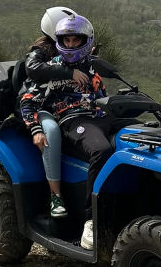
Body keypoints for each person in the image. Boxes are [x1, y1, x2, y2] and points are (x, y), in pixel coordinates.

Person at [20, 14, 110, 251]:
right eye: (66, 40)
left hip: (98, 116)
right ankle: (90, 222)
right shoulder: (51, 68)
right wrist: (36, 128)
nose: (70, 45)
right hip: (71, 119)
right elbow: (28, 101)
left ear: (85, 41)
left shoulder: (93, 68)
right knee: (101, 150)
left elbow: (102, 95)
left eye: (75, 41)